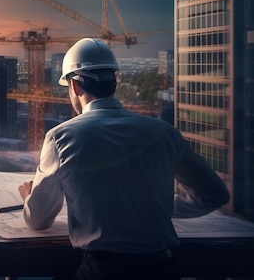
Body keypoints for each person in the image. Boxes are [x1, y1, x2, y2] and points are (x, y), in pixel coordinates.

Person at [18, 38, 230, 280]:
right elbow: (215, 195)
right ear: (114, 82)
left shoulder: (61, 137)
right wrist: (154, 207)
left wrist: (28, 198)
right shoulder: (164, 132)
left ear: (75, 86)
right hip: (162, 270)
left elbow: (39, 220)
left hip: (103, 272)